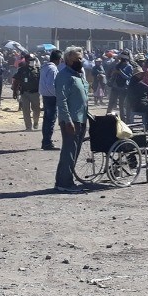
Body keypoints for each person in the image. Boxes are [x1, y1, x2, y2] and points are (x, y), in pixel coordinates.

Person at [54, 47, 90, 193]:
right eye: (77, 59)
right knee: (69, 151)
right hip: (71, 120)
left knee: (73, 151)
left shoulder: (78, 74)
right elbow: (61, 100)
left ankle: (65, 180)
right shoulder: (64, 76)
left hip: (81, 118)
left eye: (81, 58)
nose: (80, 61)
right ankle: (64, 183)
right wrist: (67, 120)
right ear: (69, 60)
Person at [12, 54, 42, 132]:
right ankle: (28, 127)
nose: (32, 61)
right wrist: (15, 92)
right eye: (30, 60)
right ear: (26, 60)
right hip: (24, 93)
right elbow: (16, 81)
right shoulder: (22, 70)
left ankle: (36, 122)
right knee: (26, 110)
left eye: (33, 60)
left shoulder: (38, 70)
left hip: (35, 93)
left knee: (36, 110)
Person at [39, 51, 61, 149]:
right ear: (58, 59)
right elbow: (51, 85)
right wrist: (58, 95)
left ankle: (45, 141)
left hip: (45, 96)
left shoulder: (44, 67)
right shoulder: (53, 69)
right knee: (50, 121)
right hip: (52, 97)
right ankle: (47, 142)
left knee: (46, 120)